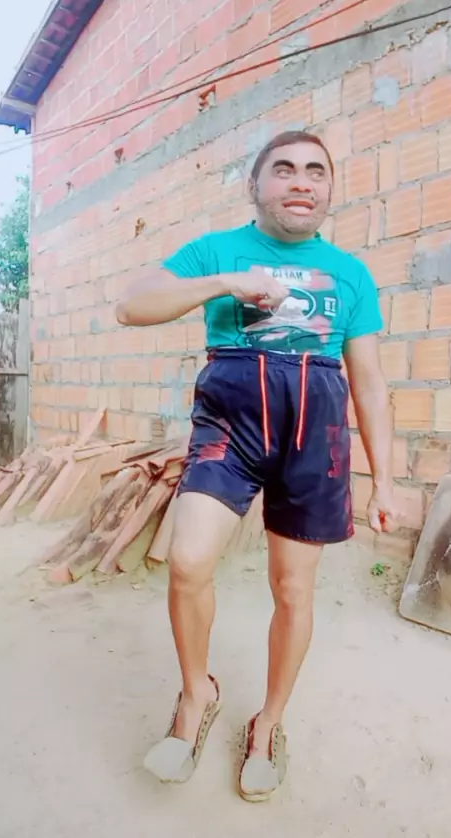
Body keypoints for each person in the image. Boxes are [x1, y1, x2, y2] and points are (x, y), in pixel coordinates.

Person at [116, 130, 401, 802]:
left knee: (293, 590)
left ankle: (268, 722)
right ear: (256, 185)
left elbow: (369, 383)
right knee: (188, 561)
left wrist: (385, 479)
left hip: (314, 437)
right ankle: (197, 695)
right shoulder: (216, 250)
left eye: (316, 172)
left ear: (329, 189)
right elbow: (130, 306)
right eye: (285, 169)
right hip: (230, 430)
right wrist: (225, 282)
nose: (301, 182)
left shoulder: (351, 273)